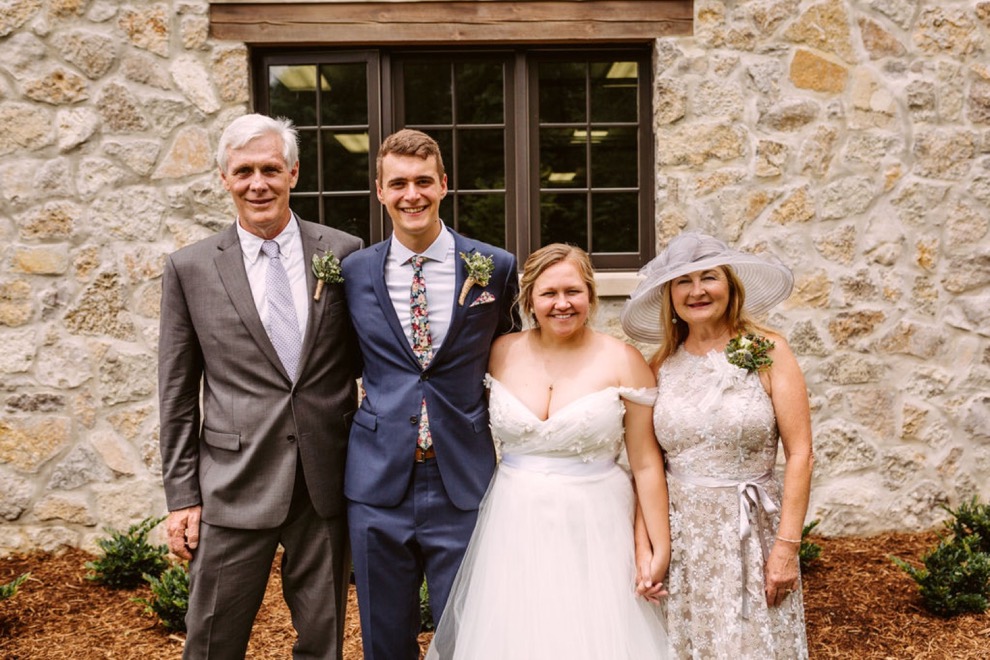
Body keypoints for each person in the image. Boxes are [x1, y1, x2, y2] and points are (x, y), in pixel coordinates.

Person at [158, 113, 363, 658]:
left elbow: (371, 361)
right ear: (224, 178)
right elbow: (176, 393)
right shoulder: (190, 268)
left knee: (324, 642)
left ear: (293, 173)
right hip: (232, 483)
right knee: (211, 641)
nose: (258, 183)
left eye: (270, 168)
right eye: (244, 170)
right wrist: (182, 497)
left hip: (325, 479)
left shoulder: (343, 253)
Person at [426, 243, 671, 660]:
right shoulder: (498, 354)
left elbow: (646, 464)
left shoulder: (624, 360)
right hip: (512, 520)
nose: (562, 304)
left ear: (590, 296)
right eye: (549, 294)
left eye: (573, 291)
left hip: (597, 523)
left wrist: (656, 548)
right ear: (529, 300)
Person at [341, 129, 520, 660]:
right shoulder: (354, 272)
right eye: (398, 184)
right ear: (380, 191)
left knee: (466, 636)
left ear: (444, 184)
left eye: (423, 181)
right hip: (377, 482)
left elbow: (512, 357)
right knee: (384, 639)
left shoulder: (494, 267)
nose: (411, 195)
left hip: (461, 480)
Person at [622, 231, 813, 658]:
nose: (697, 291)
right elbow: (645, 468)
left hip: (754, 535)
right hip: (685, 537)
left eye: (708, 277)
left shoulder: (769, 351)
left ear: (730, 285)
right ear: (669, 296)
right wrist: (647, 549)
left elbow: (801, 453)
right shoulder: (659, 366)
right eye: (682, 282)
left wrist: (786, 547)